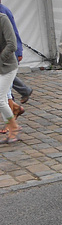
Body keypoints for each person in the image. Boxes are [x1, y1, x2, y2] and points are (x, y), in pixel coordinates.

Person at [0, 12, 21, 144]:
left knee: (0, 99)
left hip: (7, 66)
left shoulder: (2, 19)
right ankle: (15, 110)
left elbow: (12, 44)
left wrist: (1, 58)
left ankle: (14, 128)